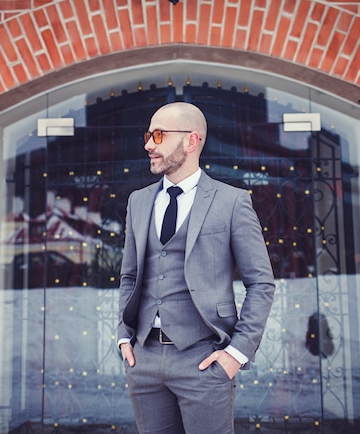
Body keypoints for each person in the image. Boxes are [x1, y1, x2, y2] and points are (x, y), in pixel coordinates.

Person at [117, 102, 276, 434]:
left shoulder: (231, 201)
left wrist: (237, 353)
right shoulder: (139, 201)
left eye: (158, 135)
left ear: (191, 141)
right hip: (144, 360)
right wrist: (123, 337)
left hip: (203, 359)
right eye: (148, 135)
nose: (148, 144)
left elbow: (261, 284)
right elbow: (130, 276)